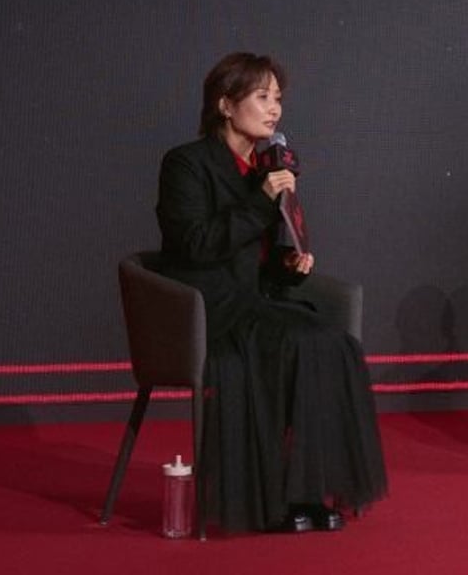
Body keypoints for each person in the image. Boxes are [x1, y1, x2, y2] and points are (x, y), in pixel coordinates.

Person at [155, 53, 386, 533]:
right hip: (208, 308)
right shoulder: (187, 164)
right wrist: (260, 201)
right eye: (262, 97)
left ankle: (309, 491)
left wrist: (288, 263)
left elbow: (256, 257)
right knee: (300, 341)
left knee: (333, 342)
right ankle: (278, 499)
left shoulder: (265, 168)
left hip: (255, 301)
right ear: (225, 105)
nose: (274, 109)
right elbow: (194, 245)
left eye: (277, 98)